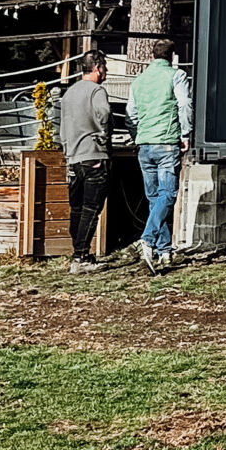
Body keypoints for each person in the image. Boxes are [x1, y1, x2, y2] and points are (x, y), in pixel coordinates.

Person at [130, 37, 193, 274]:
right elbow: (184, 104)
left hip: (144, 143)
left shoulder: (138, 80)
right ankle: (148, 240)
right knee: (167, 194)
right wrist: (185, 133)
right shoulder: (176, 75)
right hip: (166, 142)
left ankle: (164, 250)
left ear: (151, 56)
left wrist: (138, 134)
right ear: (172, 57)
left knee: (155, 199)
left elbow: (131, 114)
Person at [58, 49, 115, 271]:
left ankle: (78, 253)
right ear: (97, 68)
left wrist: (68, 152)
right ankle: (80, 258)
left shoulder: (69, 93)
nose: (106, 71)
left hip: (73, 158)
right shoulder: (97, 90)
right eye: (105, 67)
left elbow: (62, 129)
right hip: (94, 155)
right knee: (92, 209)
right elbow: (105, 113)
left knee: (77, 209)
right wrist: (104, 134)